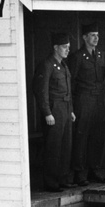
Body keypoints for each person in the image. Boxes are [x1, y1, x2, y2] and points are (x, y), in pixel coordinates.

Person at [33, 32, 76, 192]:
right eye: (64, 47)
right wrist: (47, 112)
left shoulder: (63, 65)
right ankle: (51, 182)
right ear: (55, 48)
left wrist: (70, 110)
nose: (67, 50)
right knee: (53, 147)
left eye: (68, 47)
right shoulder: (47, 65)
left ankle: (63, 178)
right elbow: (41, 90)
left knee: (66, 145)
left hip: (65, 108)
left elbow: (68, 90)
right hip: (54, 109)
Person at [69, 25, 105, 186]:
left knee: (98, 135)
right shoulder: (78, 57)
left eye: (97, 35)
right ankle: (80, 173)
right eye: (92, 35)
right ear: (84, 38)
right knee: (82, 136)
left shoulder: (102, 56)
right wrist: (73, 106)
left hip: (99, 101)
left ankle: (95, 169)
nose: (96, 38)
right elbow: (71, 82)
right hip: (83, 100)